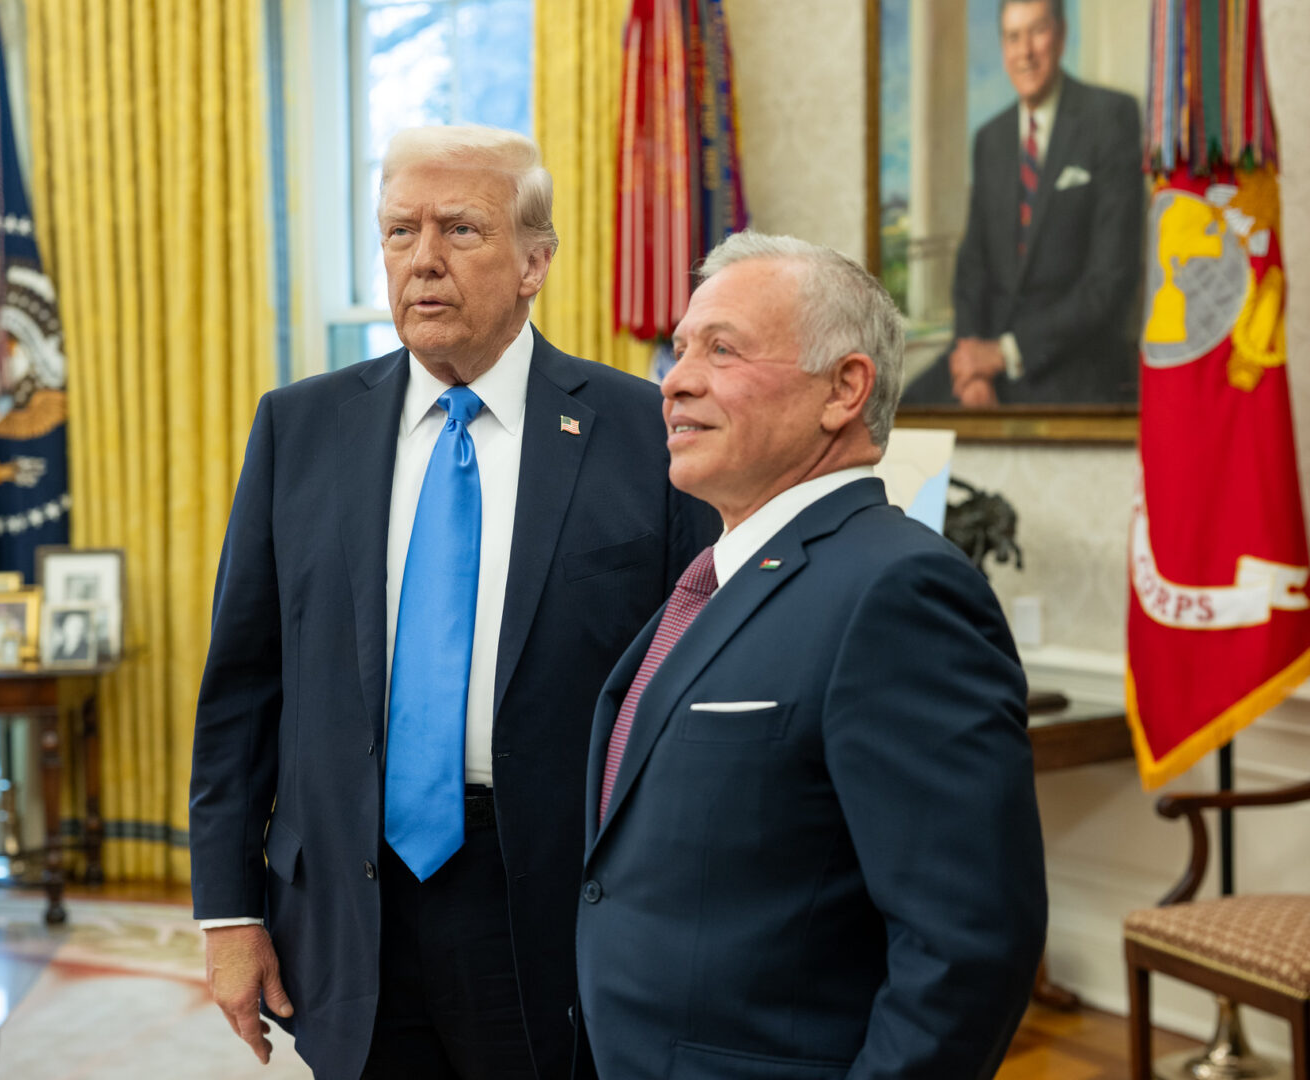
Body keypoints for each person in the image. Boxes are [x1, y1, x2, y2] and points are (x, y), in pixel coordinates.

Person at [190, 124, 716, 1080]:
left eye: (460, 230)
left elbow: (689, 693)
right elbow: (241, 690)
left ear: (534, 264)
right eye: (400, 231)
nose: (422, 260)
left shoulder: (644, 435)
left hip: (553, 903)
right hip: (347, 901)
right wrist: (229, 915)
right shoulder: (299, 427)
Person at [575, 231, 1048, 1080]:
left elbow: (966, 948)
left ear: (844, 389)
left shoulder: (901, 592)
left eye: (722, 350)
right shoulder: (717, 579)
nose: (675, 380)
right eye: (680, 349)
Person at [901, 0, 1142, 406]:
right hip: (987, 359)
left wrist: (1006, 353)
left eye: (1037, 32)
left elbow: (1109, 282)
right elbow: (972, 268)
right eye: (1013, 37)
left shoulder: (1110, 118)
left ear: (1061, 36)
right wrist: (971, 365)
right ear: (1003, 47)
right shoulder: (990, 139)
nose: (1025, 52)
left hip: (1070, 360)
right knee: (902, 414)